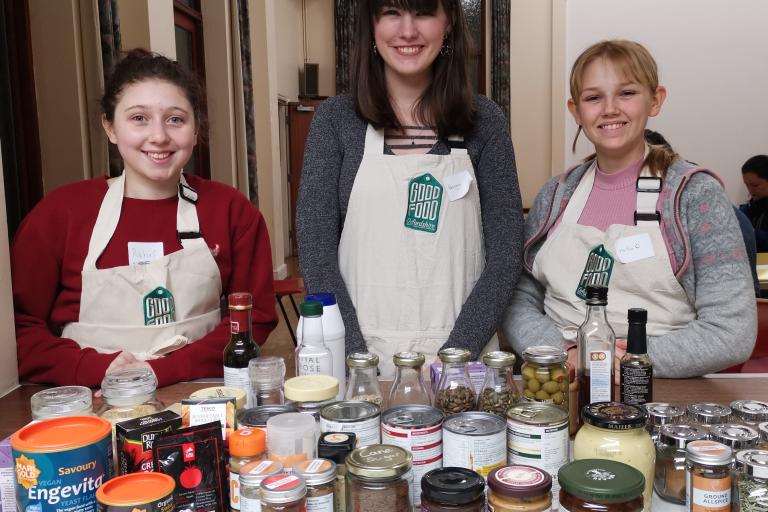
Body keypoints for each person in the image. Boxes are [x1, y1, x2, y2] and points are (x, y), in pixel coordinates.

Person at [11, 49, 277, 388]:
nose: (159, 136)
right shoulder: (61, 213)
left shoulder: (231, 210)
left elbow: (254, 318)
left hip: (198, 396)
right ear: (109, 126)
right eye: (139, 118)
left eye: (175, 119)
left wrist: (165, 369)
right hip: (87, 400)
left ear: (196, 130)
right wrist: (92, 367)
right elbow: (15, 328)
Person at [296, 0, 523, 377]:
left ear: (448, 22)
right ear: (371, 25)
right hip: (359, 361)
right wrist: (357, 359)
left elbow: (506, 254)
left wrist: (454, 359)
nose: (407, 31)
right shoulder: (336, 122)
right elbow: (317, 252)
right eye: (391, 13)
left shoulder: (484, 122)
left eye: (422, 12)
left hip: (463, 366)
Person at [503, 40, 755, 378]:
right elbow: (520, 298)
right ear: (576, 110)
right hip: (563, 381)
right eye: (593, 98)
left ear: (655, 100)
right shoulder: (555, 195)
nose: (609, 109)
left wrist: (628, 361)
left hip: (660, 389)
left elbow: (731, 332)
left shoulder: (695, 196)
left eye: (626, 93)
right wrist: (563, 352)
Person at [740, 155, 768, 253]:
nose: (750, 190)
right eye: (747, 185)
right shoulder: (748, 208)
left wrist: (750, 232)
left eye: (755, 185)